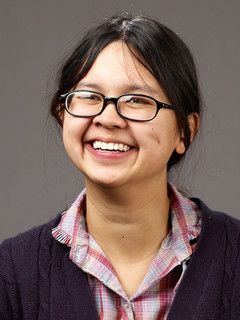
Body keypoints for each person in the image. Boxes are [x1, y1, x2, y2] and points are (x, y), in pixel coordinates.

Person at [0, 12, 240, 320]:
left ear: (185, 131)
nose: (107, 118)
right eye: (89, 96)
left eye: (137, 100)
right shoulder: (11, 273)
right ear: (62, 114)